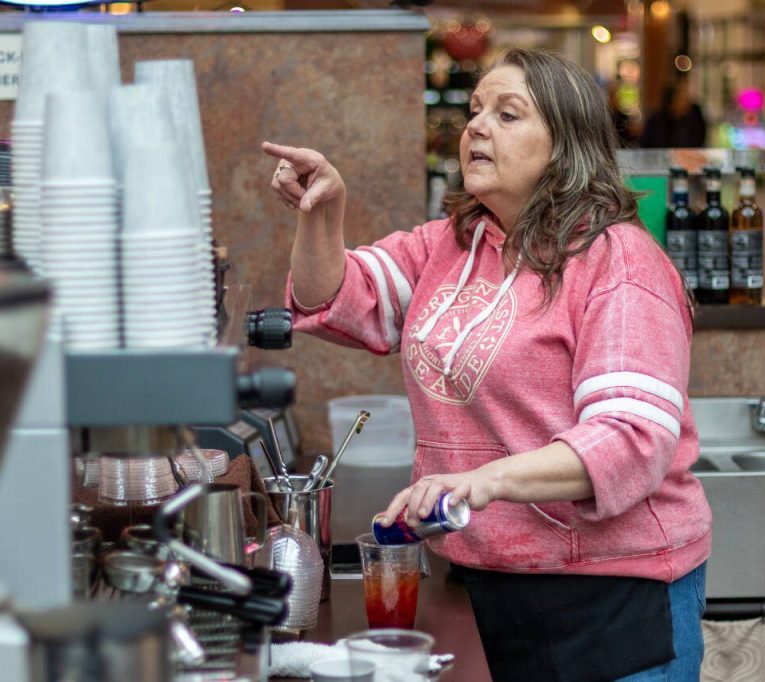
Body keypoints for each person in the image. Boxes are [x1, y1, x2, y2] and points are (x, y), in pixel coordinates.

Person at [263, 48, 711, 682]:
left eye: (507, 114)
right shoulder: (453, 244)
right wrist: (321, 215)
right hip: (486, 581)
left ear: (564, 147)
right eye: (476, 111)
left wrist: (482, 481)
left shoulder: (619, 262)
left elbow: (630, 440)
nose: (476, 127)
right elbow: (337, 299)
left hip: (611, 594)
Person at [639, 77, 707, 148]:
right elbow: (646, 146)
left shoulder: (694, 120)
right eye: (682, 98)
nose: (687, 102)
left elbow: (697, 144)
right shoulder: (656, 122)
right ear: (672, 101)